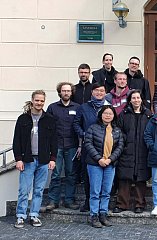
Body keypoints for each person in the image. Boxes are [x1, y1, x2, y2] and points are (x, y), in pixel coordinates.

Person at [13, 90, 57, 228]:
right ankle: (20, 216)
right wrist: (18, 159)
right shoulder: (23, 119)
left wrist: (53, 158)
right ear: (32, 100)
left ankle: (34, 215)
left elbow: (54, 141)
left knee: (38, 190)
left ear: (44, 102)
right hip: (27, 160)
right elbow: (17, 140)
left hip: (43, 160)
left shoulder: (49, 119)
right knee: (24, 190)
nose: (39, 103)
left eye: (42, 101)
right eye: (37, 100)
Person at [113, 90, 153, 214]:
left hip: (143, 150)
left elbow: (152, 132)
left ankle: (139, 204)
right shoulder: (123, 114)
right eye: (133, 98)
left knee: (141, 178)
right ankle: (122, 204)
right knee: (124, 177)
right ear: (130, 100)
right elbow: (118, 131)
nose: (136, 100)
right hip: (127, 150)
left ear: (142, 99)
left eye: (138, 98)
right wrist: (124, 143)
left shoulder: (148, 115)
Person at [84, 105, 124, 228]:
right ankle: (94, 215)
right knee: (95, 191)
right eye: (105, 113)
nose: (108, 115)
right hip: (95, 164)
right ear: (101, 114)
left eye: (110, 114)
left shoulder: (117, 130)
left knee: (106, 191)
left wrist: (110, 159)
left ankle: (103, 214)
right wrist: (99, 159)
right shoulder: (93, 128)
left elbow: (120, 146)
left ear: (114, 116)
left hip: (110, 165)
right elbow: (88, 143)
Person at [73, 83, 110, 212]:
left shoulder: (109, 107)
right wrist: (84, 134)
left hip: (105, 146)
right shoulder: (84, 107)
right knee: (88, 176)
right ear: (92, 92)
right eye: (96, 91)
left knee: (105, 177)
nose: (99, 93)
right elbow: (76, 124)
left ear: (105, 92)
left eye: (102, 91)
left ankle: (102, 204)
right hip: (88, 146)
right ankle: (89, 201)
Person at [46, 82, 80, 211]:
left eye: (68, 91)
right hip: (56, 146)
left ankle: (69, 200)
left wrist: (80, 145)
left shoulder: (77, 107)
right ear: (59, 92)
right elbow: (47, 128)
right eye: (63, 91)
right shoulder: (52, 108)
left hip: (72, 145)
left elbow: (79, 126)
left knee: (71, 174)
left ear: (72, 92)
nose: (66, 93)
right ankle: (53, 200)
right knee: (55, 174)